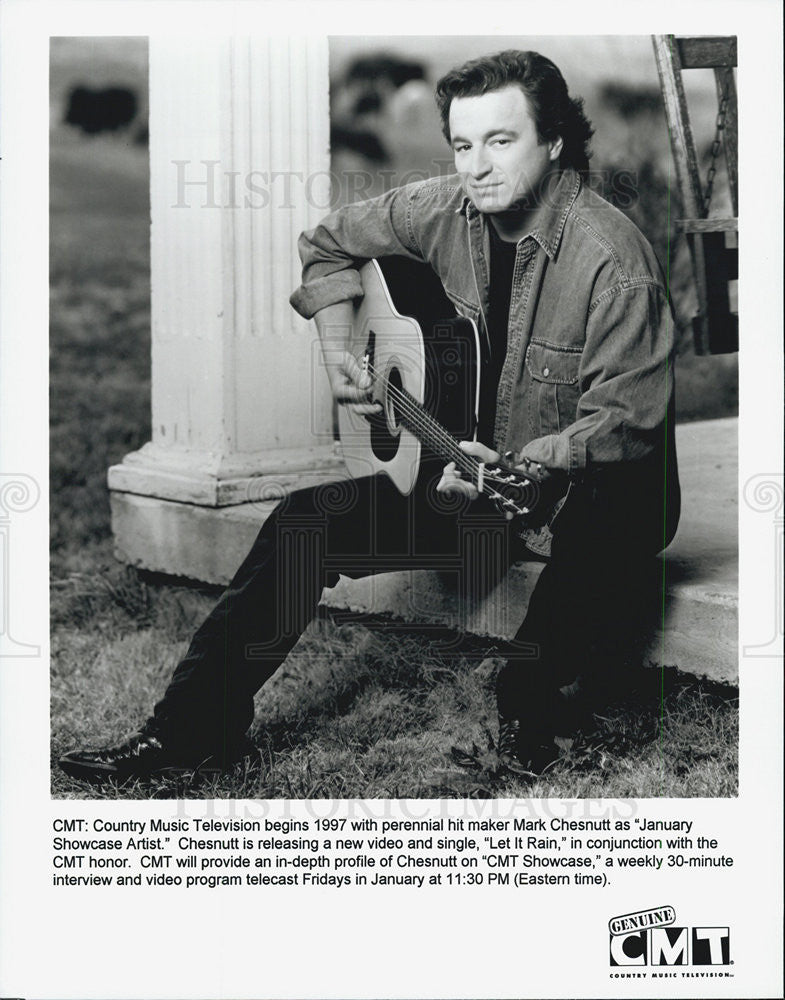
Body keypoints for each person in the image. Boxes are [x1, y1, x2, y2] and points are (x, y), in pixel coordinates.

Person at [59, 49, 679, 784]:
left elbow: (624, 421)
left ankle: (526, 704)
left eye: (500, 140)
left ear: (553, 142)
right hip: (468, 488)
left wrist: (524, 465)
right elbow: (326, 243)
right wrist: (334, 350)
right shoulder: (443, 209)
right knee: (304, 522)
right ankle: (189, 732)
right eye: (461, 143)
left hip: (580, 497)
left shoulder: (613, 263)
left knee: (613, 497)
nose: (476, 165)